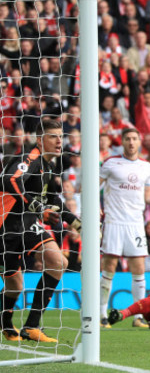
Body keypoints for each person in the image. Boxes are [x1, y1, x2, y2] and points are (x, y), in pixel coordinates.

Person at [0, 120, 81, 342]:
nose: (59, 141)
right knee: (15, 285)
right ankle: (6, 323)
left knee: (59, 262)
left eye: (60, 136)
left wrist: (77, 224)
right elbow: (10, 180)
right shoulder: (28, 159)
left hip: (28, 224)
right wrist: (37, 207)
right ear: (40, 139)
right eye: (53, 136)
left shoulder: (49, 167)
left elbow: (54, 200)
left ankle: (31, 327)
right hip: (6, 228)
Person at [99, 128, 150, 328]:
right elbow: (92, 187)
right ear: (122, 142)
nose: (131, 142)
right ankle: (101, 315)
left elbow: (147, 196)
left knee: (139, 269)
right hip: (114, 222)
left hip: (135, 224)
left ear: (139, 141)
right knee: (109, 267)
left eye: (134, 139)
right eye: (128, 139)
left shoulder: (147, 167)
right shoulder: (110, 163)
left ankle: (137, 317)